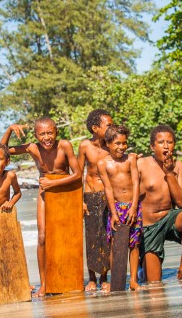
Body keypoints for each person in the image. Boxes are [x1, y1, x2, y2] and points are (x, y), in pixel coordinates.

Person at [1, 117, 81, 297]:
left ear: (56, 132)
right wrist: (9, 130)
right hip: (45, 191)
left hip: (65, 191)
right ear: (36, 135)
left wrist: (54, 184)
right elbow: (1, 152)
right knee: (43, 236)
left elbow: (77, 175)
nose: (47, 137)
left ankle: (68, 279)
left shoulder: (65, 146)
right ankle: (45, 283)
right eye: (42, 134)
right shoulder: (32, 148)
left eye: (50, 133)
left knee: (67, 238)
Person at [137, 125, 182, 282]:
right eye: (161, 142)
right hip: (149, 226)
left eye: (170, 142)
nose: (166, 146)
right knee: (153, 283)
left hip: (169, 219)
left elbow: (180, 202)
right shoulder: (140, 164)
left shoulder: (178, 165)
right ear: (152, 146)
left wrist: (169, 173)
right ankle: (142, 267)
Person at [97, 125, 142, 291]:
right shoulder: (102, 164)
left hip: (133, 205)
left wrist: (134, 206)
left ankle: (134, 280)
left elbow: (136, 182)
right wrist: (113, 213)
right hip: (116, 207)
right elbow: (108, 188)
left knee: (134, 244)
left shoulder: (131, 159)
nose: (121, 147)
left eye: (124, 143)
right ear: (107, 143)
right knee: (115, 244)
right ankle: (115, 280)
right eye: (117, 143)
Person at [77, 109, 113, 292]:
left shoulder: (112, 145)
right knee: (92, 237)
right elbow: (78, 174)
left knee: (106, 237)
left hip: (108, 196)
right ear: (95, 128)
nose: (111, 128)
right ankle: (92, 278)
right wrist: (80, 201)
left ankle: (105, 276)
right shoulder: (85, 146)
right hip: (90, 196)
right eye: (108, 125)